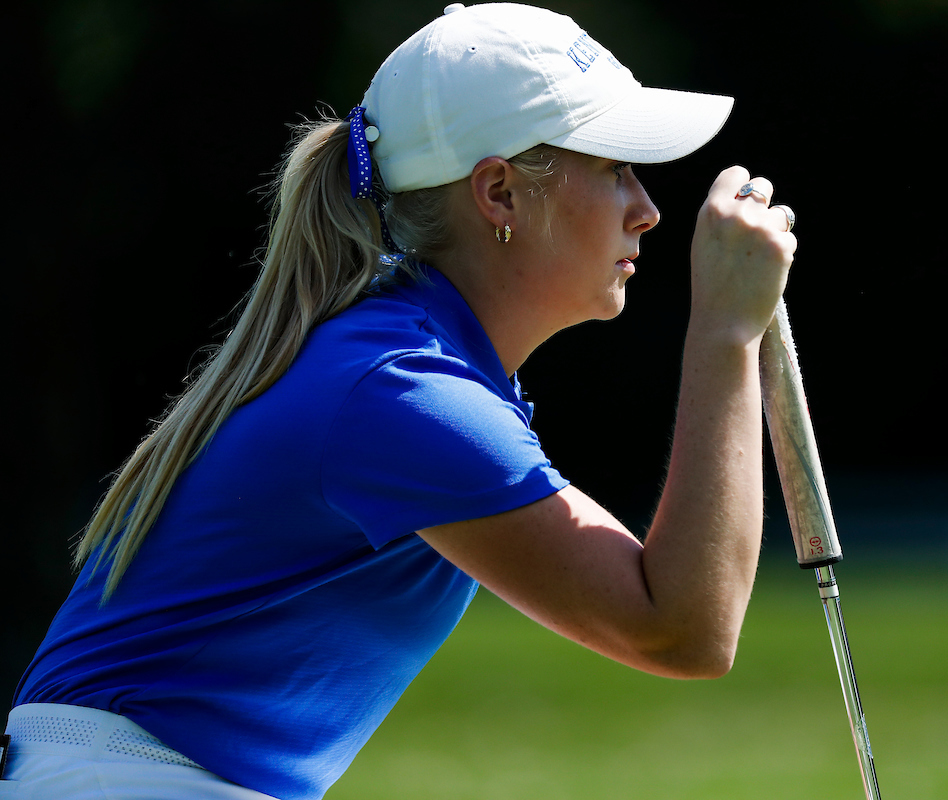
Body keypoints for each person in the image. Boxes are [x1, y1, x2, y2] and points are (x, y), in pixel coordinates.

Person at [2, 3, 797, 799]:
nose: (647, 209)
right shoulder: (400, 391)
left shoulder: (416, 366)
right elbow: (683, 629)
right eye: (613, 168)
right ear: (500, 194)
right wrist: (725, 334)